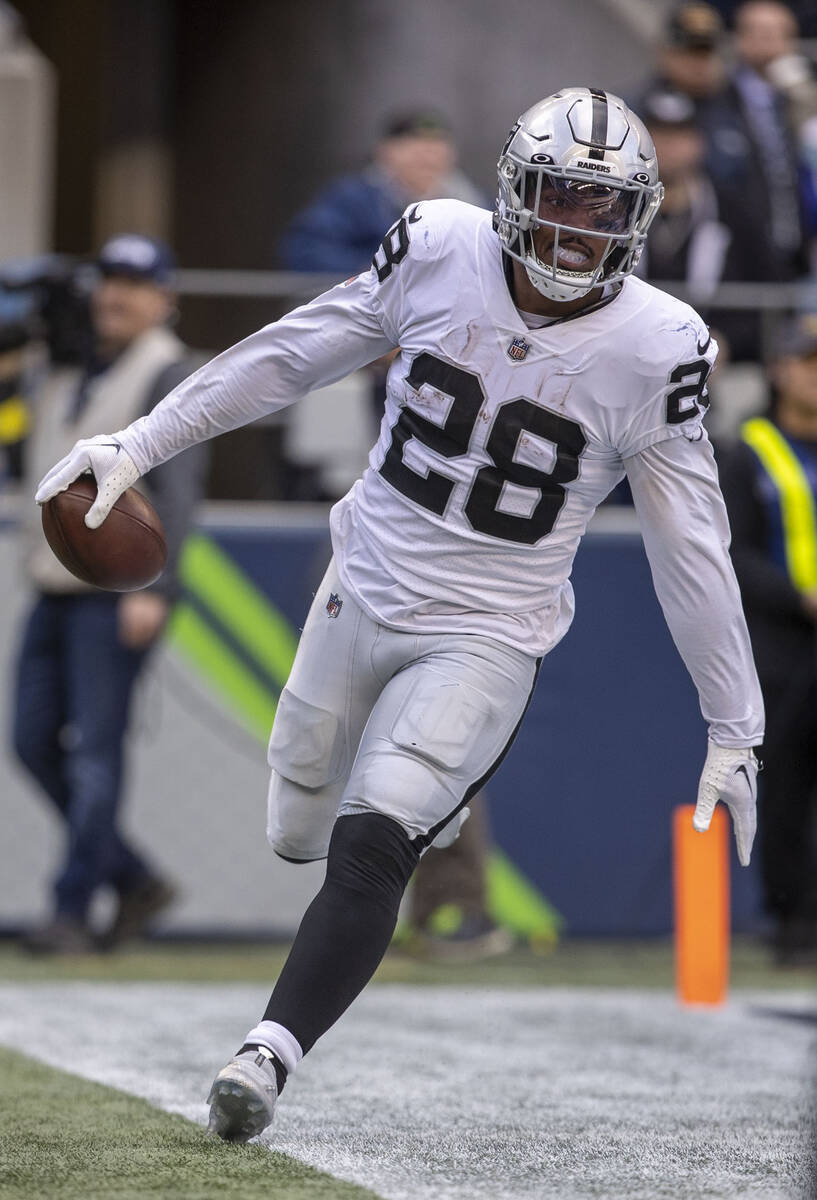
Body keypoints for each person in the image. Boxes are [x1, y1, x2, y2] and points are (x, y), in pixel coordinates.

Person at [37, 89, 763, 1138]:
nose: (576, 226)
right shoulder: (438, 243)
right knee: (295, 824)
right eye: (560, 195)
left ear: (639, 218)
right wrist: (141, 443)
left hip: (488, 630)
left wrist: (732, 719)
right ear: (513, 187)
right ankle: (437, 794)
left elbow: (690, 546)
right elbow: (292, 352)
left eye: (603, 208)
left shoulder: (660, 344)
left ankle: (268, 1055)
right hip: (360, 583)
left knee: (372, 841)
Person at [14, 234, 206, 955]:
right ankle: (132, 878)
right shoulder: (69, 360)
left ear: (165, 298)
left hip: (117, 591)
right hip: (53, 584)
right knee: (31, 742)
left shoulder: (169, 370)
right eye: (109, 279)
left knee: (96, 751)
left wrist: (158, 587)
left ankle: (72, 909)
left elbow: (181, 492)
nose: (116, 294)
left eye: (135, 282)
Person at [718, 314, 817, 964]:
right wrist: (798, 598)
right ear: (780, 369)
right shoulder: (746, 449)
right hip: (780, 642)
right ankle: (792, 922)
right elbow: (731, 551)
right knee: (780, 784)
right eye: (808, 360)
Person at [278, 109, 484, 274]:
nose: (427, 156)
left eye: (436, 146)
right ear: (384, 151)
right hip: (371, 314)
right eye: (413, 146)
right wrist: (381, 273)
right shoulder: (352, 199)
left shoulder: (475, 203)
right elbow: (306, 250)